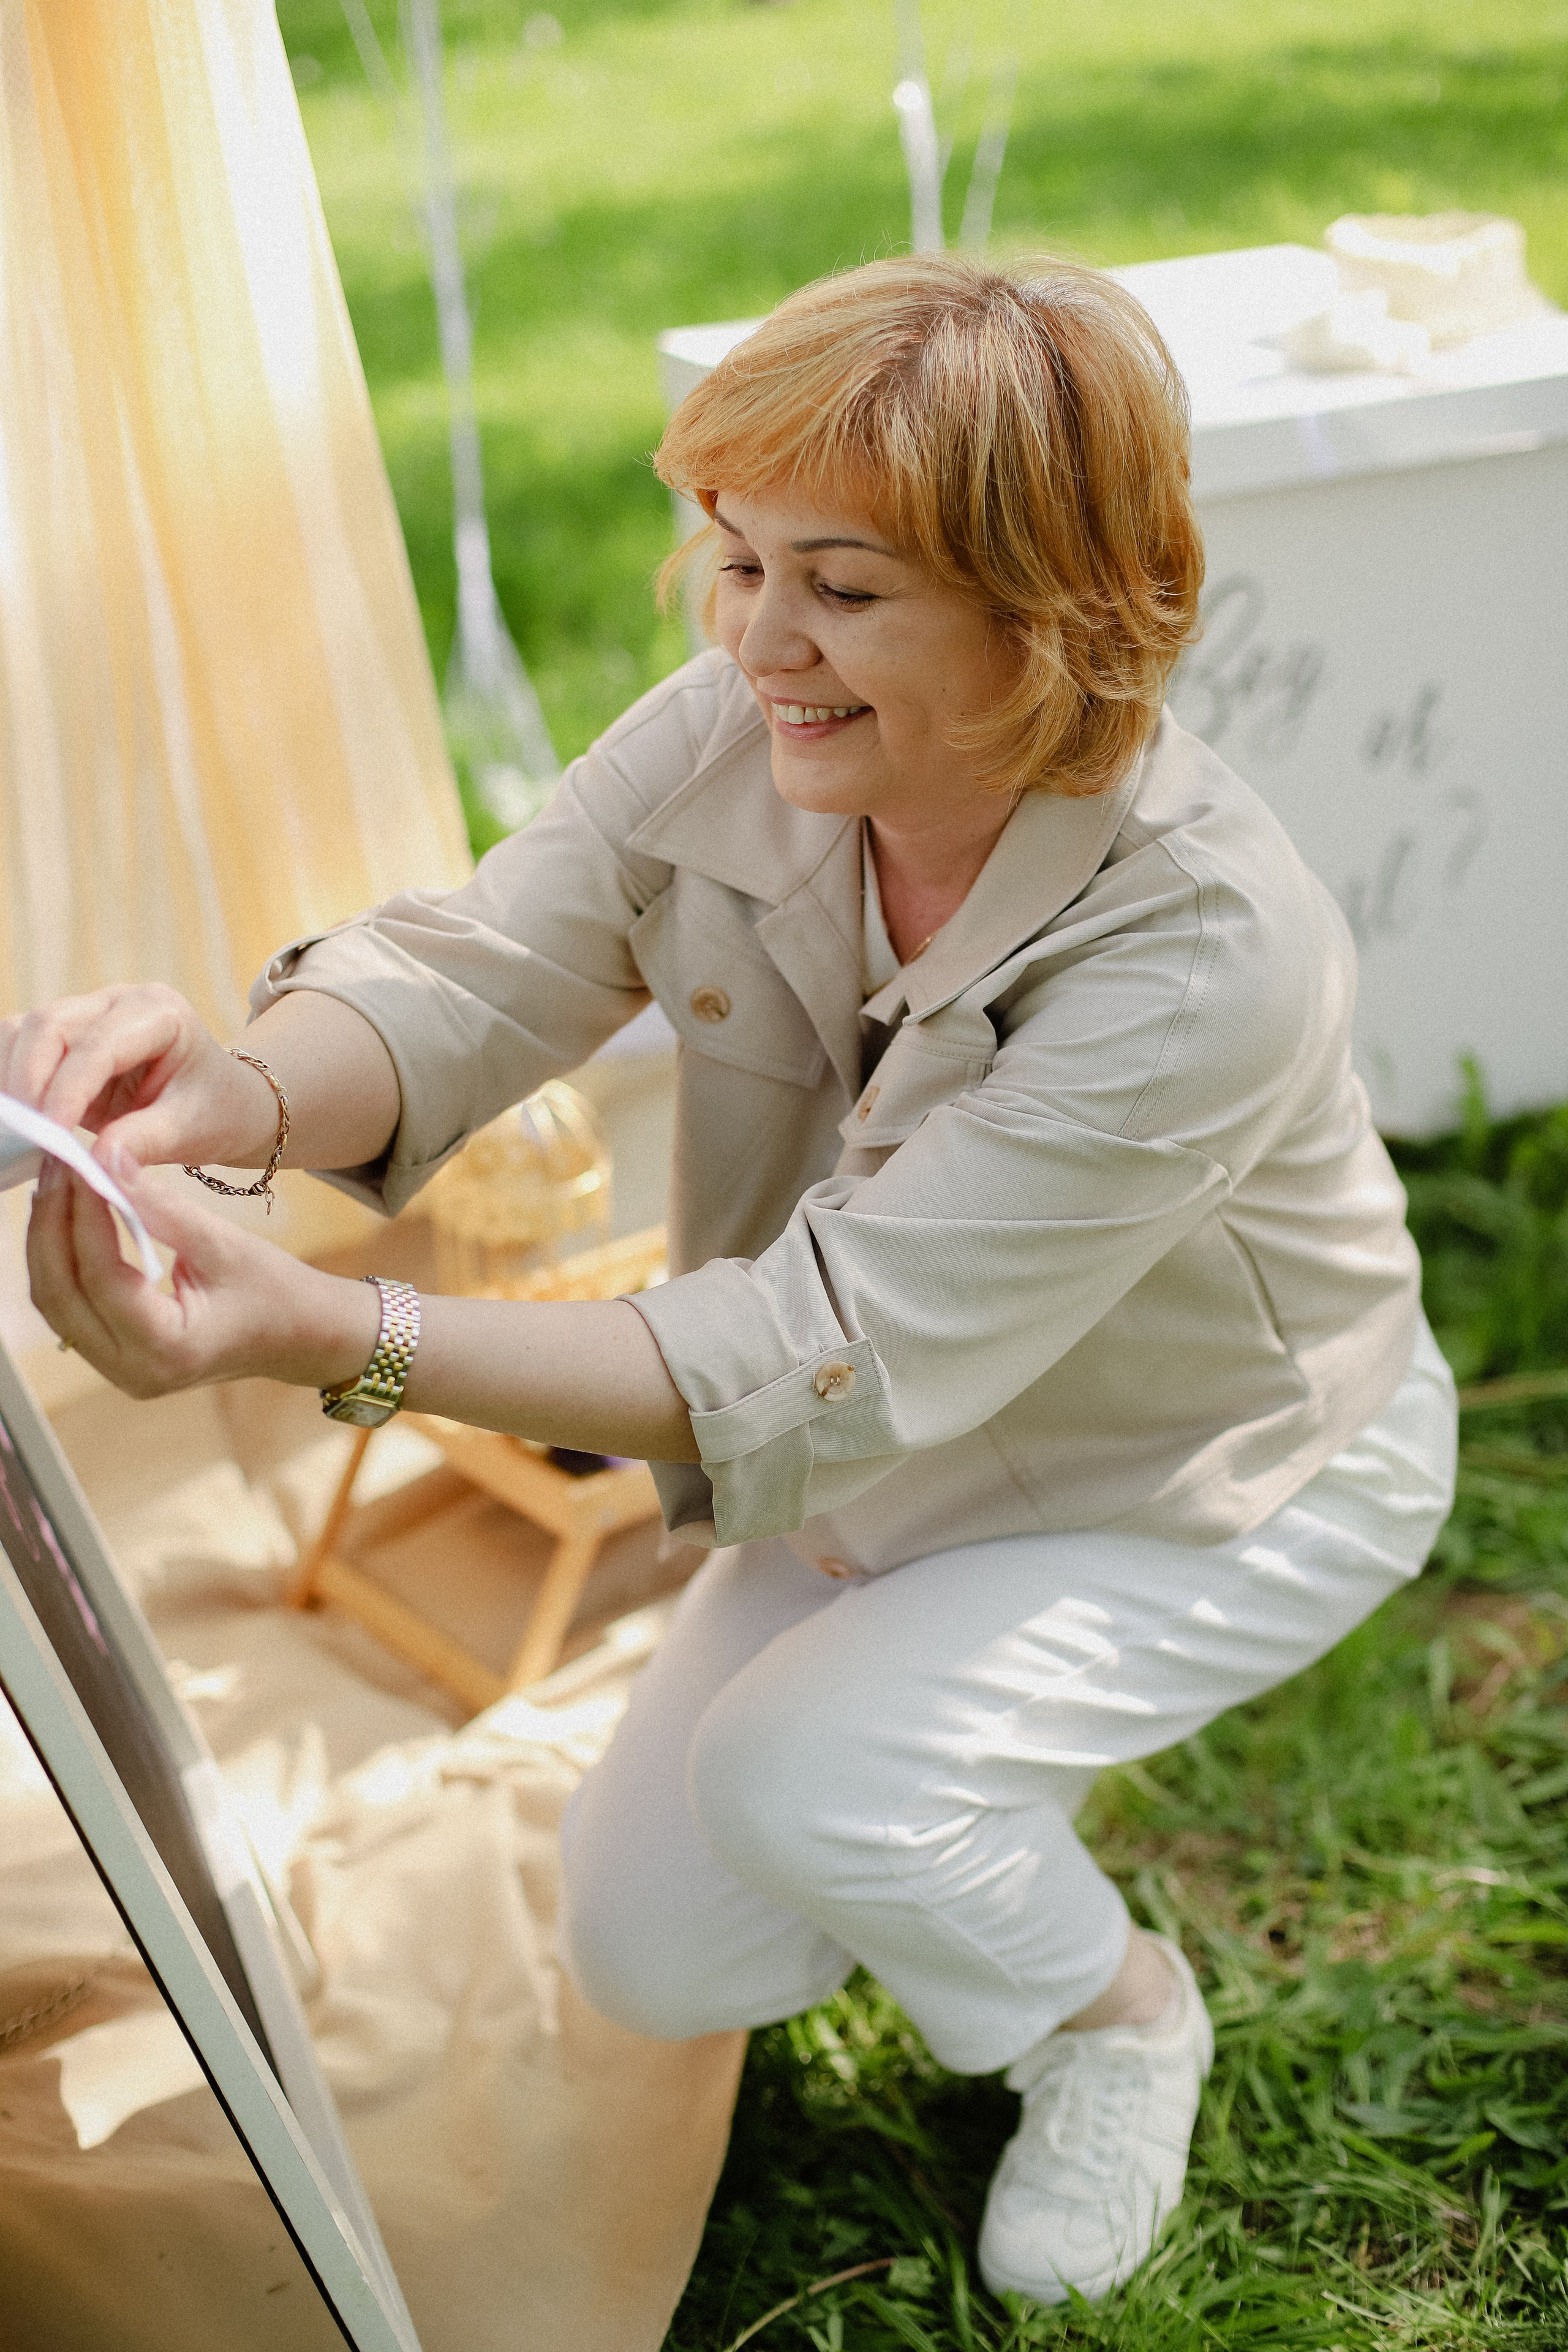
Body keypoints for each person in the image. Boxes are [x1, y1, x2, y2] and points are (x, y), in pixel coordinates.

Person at [3, 252, 1456, 2308]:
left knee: (810, 1776)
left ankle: (1114, 2011)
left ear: (1052, 607)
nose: (759, 639)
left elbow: (809, 1348)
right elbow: (478, 972)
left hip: (1215, 1470)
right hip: (875, 1454)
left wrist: (331, 1337)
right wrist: (215, 1097)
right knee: (655, 1953)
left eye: (841, 588)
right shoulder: (737, 730)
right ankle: (935, 1769)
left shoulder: (1208, 947)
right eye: (741, 557)